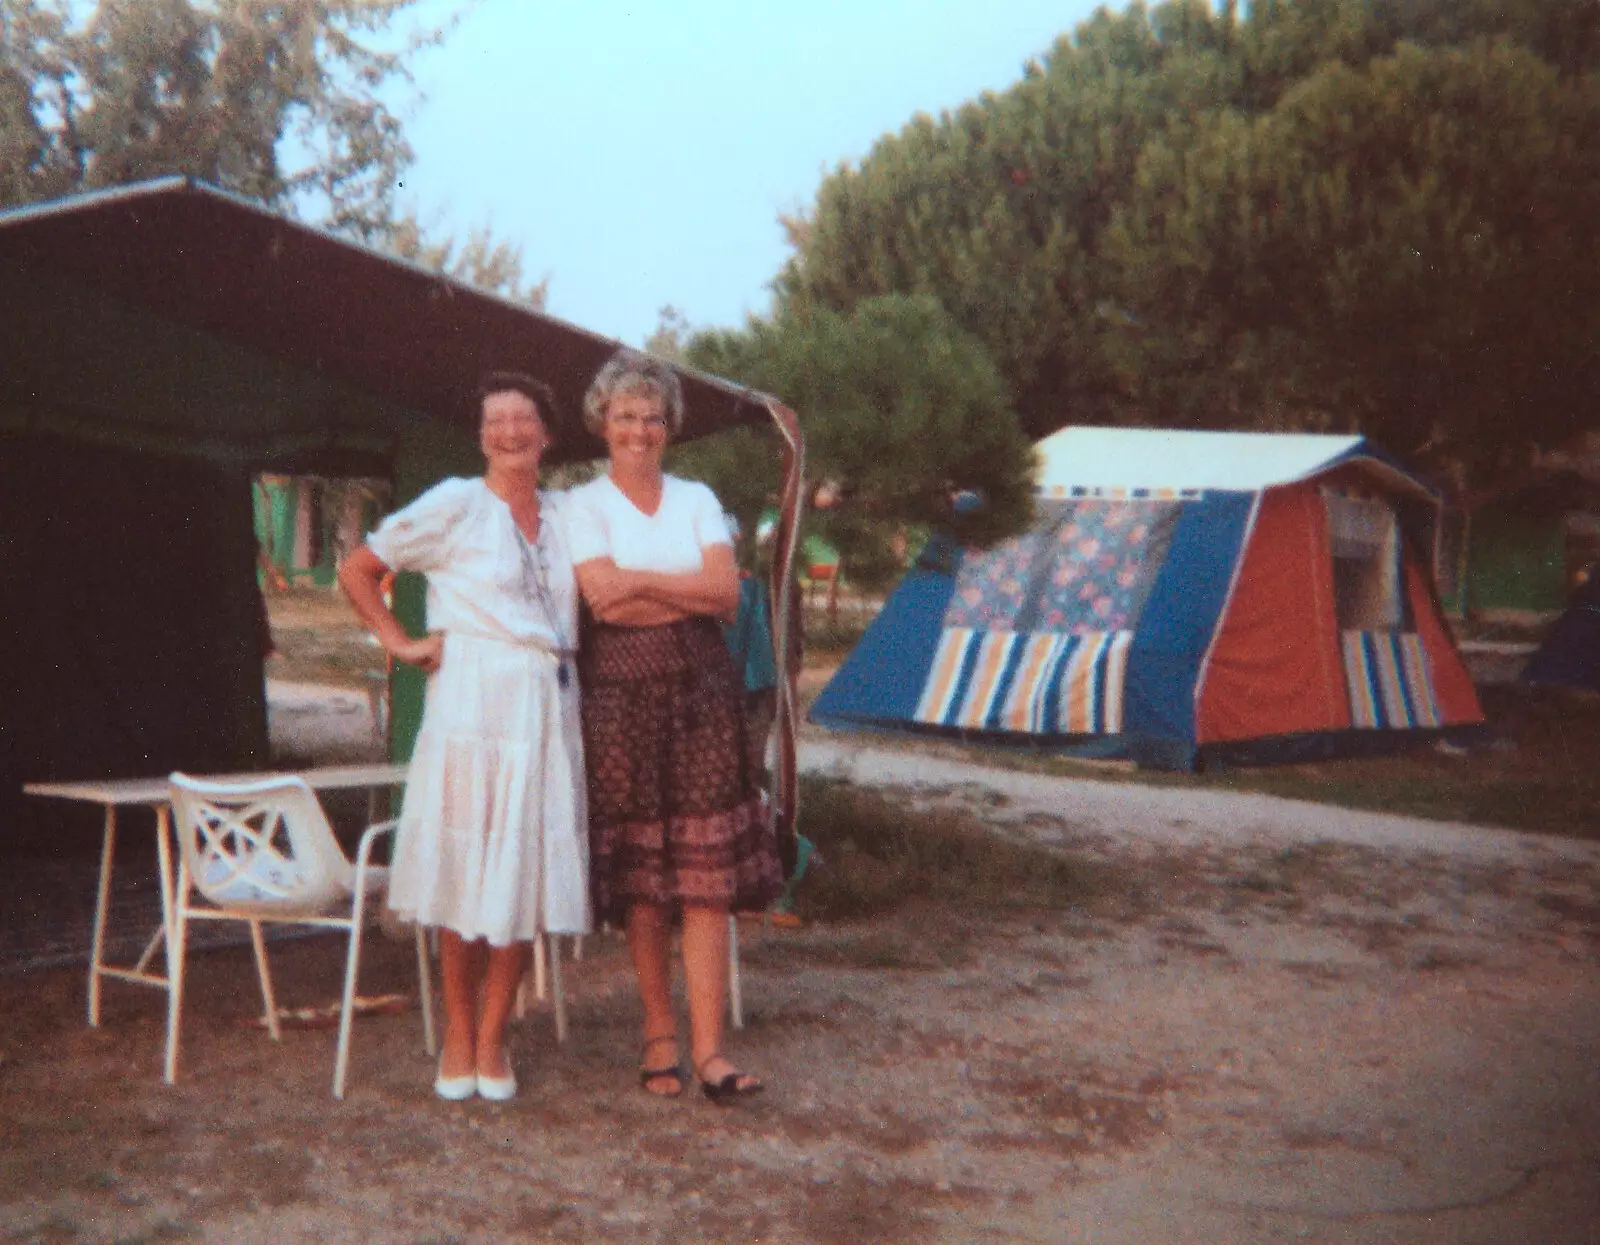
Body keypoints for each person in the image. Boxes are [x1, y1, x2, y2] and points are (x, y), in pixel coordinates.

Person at [337, 372, 587, 1102]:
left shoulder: (570, 514)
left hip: (543, 704)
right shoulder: (453, 502)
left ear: (547, 434)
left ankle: (493, 1035)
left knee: (519, 874)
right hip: (471, 702)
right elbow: (359, 569)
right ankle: (456, 1030)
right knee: (463, 870)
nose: (509, 431)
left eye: (523, 419)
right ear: (481, 435)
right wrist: (400, 640)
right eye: (494, 420)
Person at [565, 349, 784, 1103]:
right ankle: (659, 1030)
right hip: (620, 700)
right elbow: (602, 603)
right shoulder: (580, 505)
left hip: (703, 695)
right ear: (602, 422)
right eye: (625, 415)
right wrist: (679, 589)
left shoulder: (696, 496)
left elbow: (725, 592)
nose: (639, 429)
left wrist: (646, 582)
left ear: (670, 427)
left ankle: (711, 1050)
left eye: (652, 416)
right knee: (647, 881)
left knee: (706, 879)